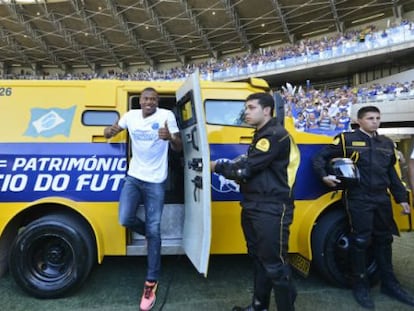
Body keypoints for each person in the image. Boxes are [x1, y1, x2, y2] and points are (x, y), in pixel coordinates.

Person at [312, 105, 414, 309]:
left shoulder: (386, 143)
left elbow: (392, 175)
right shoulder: (346, 140)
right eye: (370, 118)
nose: (375, 121)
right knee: (360, 240)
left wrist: (401, 199)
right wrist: (325, 176)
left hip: (381, 198)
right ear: (359, 121)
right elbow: (319, 158)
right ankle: (360, 285)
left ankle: (390, 284)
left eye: (377, 118)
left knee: (384, 240)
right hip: (358, 198)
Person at [210, 92, 300, 311]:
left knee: (275, 266)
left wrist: (217, 167)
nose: (246, 112)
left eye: (251, 108)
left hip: (271, 209)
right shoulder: (261, 135)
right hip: (254, 205)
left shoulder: (273, 135)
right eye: (246, 108)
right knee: (260, 260)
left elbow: (244, 170)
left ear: (267, 110)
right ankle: (259, 306)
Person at [103, 87, 182, 311]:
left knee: (155, 229)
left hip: (156, 179)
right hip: (134, 176)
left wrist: (171, 139)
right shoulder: (130, 116)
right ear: (140, 101)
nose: (150, 102)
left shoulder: (166, 116)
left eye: (154, 99)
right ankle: (149, 234)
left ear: (157, 102)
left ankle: (151, 281)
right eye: (146, 99)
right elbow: (114, 129)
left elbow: (178, 147)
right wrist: (109, 131)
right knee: (125, 218)